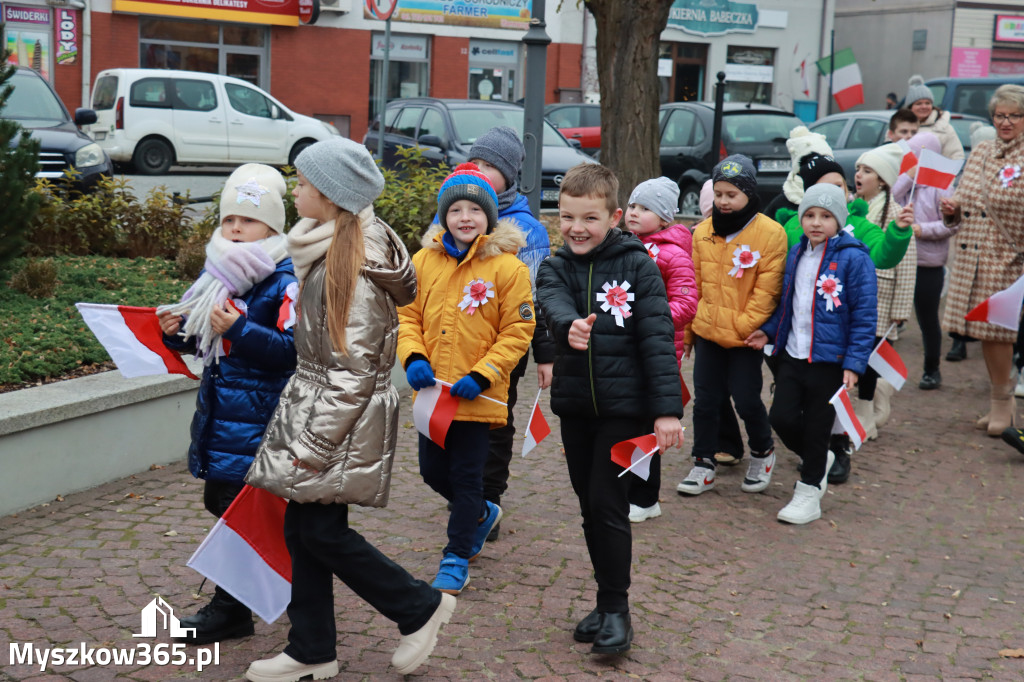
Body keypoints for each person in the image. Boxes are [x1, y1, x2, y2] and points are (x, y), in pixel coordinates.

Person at [243, 138, 455, 681]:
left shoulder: (353, 266)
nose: (296, 188)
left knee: (320, 532)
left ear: (332, 197)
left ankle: (419, 607)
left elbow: (353, 370)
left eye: (305, 182)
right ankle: (312, 649)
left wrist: (314, 446)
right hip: (321, 405)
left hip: (336, 416)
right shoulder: (332, 244)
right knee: (306, 529)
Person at [536, 163, 683, 655]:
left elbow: (657, 338)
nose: (577, 228)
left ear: (614, 217)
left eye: (589, 218)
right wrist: (569, 326)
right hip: (577, 408)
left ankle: (617, 610)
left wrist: (666, 412)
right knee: (588, 507)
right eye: (567, 216)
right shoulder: (555, 266)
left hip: (627, 410)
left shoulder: (638, 264)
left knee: (608, 504)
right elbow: (552, 303)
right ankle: (603, 601)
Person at [157, 163, 296, 645]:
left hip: (263, 416)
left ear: (273, 227)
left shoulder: (284, 279)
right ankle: (243, 604)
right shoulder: (219, 273)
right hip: (225, 412)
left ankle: (251, 604)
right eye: (229, 219)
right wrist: (180, 336)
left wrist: (236, 328)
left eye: (248, 220)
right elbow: (210, 346)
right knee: (223, 501)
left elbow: (290, 350)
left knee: (242, 506)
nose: (236, 229)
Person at [398, 163, 535, 595]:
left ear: (489, 217)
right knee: (431, 471)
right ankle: (480, 514)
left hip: (476, 396)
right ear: (444, 216)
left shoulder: (508, 269)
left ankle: (456, 556)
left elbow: (518, 330)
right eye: (454, 209)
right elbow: (406, 316)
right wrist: (413, 357)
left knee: (466, 476)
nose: (464, 217)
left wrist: (484, 373)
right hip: (433, 395)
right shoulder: (423, 261)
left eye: (473, 210)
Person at [749, 184, 878, 524]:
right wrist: (769, 330)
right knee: (782, 418)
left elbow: (865, 316)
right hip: (792, 353)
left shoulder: (854, 258)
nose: (816, 223)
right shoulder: (797, 253)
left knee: (819, 425)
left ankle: (809, 491)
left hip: (829, 361)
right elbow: (787, 302)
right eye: (809, 215)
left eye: (825, 216)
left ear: (839, 220)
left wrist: (854, 363)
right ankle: (820, 458)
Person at [677, 154, 787, 496]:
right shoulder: (702, 233)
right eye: (719, 194)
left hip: (744, 337)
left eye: (731, 195)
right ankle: (703, 462)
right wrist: (690, 332)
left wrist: (742, 327)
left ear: (748, 195)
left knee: (745, 398)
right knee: (706, 401)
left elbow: (767, 292)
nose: (724, 202)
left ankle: (762, 450)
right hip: (708, 332)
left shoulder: (771, 234)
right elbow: (694, 284)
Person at [465, 126, 555, 542]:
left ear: (509, 174)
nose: (479, 171)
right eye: (475, 163)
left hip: (505, 347)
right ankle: (464, 491)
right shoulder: (454, 210)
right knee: (457, 420)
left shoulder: (526, 229)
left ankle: (488, 500)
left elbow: (535, 300)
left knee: (496, 422)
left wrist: (545, 354)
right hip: (457, 340)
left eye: (490, 166)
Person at [941, 84, 1024, 437]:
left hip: (1008, 257)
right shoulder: (983, 151)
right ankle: (998, 400)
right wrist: (952, 210)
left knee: (999, 332)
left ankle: (1002, 402)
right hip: (971, 254)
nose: (1006, 122)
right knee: (982, 334)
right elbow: (965, 196)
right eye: (1000, 115)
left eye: (1014, 116)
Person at [622, 176, 697, 522]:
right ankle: (627, 487)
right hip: (624, 348)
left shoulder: (672, 254)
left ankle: (646, 497)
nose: (635, 213)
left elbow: (686, 305)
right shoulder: (622, 245)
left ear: (665, 218)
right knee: (625, 419)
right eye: (633, 205)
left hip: (658, 351)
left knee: (645, 422)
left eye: (645, 208)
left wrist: (647, 315)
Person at [853, 143, 917, 439]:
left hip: (882, 295)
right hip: (854, 295)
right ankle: (873, 402)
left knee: (870, 355)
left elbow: (907, 262)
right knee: (859, 355)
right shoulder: (852, 207)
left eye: (867, 171)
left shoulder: (894, 212)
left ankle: (867, 414)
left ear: (881, 180)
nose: (859, 175)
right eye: (858, 169)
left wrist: (901, 310)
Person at [892, 131, 958, 390]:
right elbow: (890, 198)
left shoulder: (942, 186)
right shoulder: (904, 182)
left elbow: (951, 225)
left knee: (927, 317)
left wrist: (921, 230)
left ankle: (932, 368)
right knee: (891, 315)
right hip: (900, 261)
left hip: (928, 264)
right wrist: (907, 177)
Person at [904, 75, 965, 160]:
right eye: (919, 103)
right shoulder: (899, 126)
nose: (924, 107)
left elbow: (956, 156)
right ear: (910, 107)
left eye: (928, 103)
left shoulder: (944, 128)